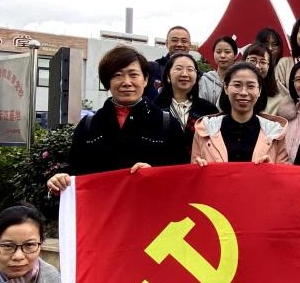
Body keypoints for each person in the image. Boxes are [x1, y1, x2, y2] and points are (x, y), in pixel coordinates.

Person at [46, 45, 187, 195]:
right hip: (101, 207)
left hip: (149, 206)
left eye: (133, 75)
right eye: (118, 75)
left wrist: (155, 174)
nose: (126, 82)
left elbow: (182, 176)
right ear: (107, 81)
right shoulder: (88, 125)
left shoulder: (167, 123)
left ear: (145, 80)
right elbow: (74, 171)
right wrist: (60, 180)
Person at [192, 62, 289, 164]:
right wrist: (199, 167)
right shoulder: (205, 129)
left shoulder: (275, 132)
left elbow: (283, 172)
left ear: (259, 90)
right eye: (237, 85)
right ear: (226, 88)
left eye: (251, 86)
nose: (243, 92)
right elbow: (194, 167)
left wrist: (271, 169)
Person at [153, 52, 219, 155]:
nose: (184, 74)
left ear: (196, 76)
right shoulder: (154, 108)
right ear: (168, 76)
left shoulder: (209, 110)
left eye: (190, 69)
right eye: (179, 69)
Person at [144, 25, 192, 101]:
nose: (179, 44)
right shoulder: (152, 68)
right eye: (174, 40)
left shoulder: (198, 76)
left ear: (189, 45)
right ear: (167, 43)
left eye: (184, 41)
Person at [245, 43, 287, 116]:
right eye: (252, 60)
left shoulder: (279, 100)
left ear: (269, 67)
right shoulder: (233, 90)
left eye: (263, 62)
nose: (257, 66)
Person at [198, 36, 238, 105]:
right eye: (218, 52)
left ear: (235, 55)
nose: (222, 56)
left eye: (227, 52)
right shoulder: (205, 80)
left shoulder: (240, 80)